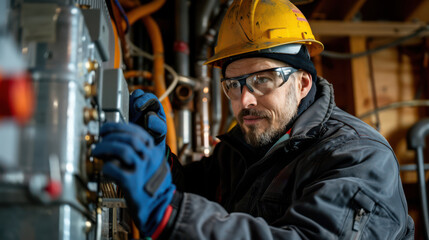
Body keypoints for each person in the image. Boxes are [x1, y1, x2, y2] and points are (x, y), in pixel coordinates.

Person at [92, 0, 415, 239]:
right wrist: (158, 160)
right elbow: (192, 195)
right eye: (234, 85)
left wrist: (168, 215)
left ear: (302, 83)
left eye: (263, 80)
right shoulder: (244, 146)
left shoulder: (358, 157)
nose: (245, 100)